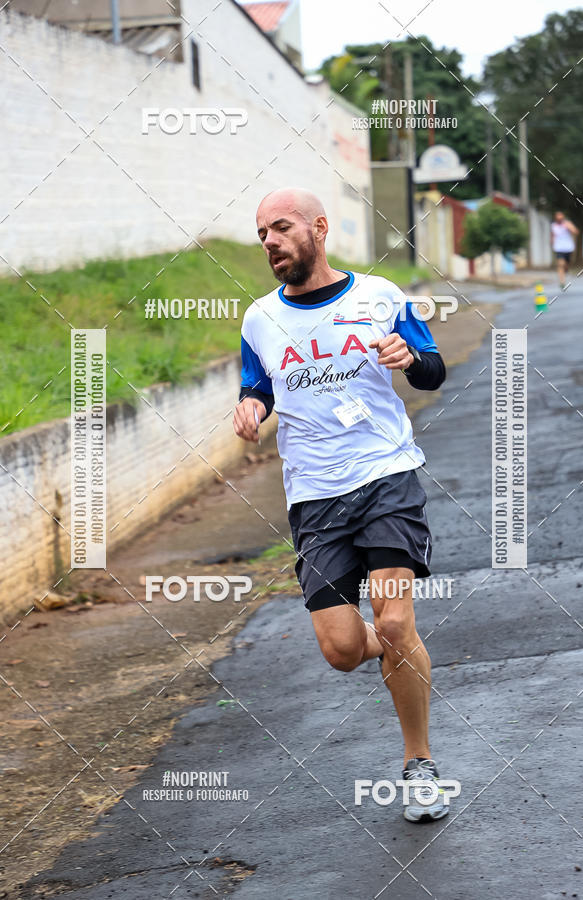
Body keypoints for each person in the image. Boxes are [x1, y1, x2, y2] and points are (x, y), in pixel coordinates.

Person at [233, 187, 448, 822]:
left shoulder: (380, 296)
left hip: (386, 476)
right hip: (314, 495)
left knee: (398, 619)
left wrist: (408, 355)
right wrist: (251, 405)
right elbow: (257, 382)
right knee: (343, 650)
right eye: (262, 233)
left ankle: (419, 765)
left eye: (281, 228)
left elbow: (432, 369)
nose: (270, 242)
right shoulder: (258, 320)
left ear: (319, 229)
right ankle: (394, 649)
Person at [551, 211, 578, 288]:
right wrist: (552, 242)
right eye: (557, 217)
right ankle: (562, 282)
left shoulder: (567, 224)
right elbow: (552, 235)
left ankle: (566, 269)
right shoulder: (553, 226)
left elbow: (576, 232)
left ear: (563, 218)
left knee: (566, 265)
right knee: (560, 264)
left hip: (568, 248)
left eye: (561, 217)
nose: (559, 219)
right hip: (558, 248)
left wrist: (569, 227)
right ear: (556, 218)